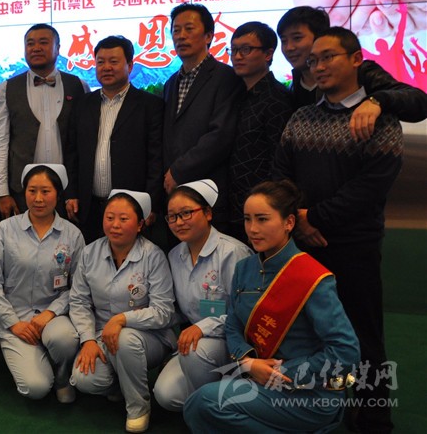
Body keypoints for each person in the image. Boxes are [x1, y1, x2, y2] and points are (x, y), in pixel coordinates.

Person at [272, 27, 404, 433]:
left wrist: (315, 218)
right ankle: (320, 409)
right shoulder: (301, 117)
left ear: (356, 59)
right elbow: (281, 176)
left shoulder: (378, 118)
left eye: (328, 57)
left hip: (354, 246)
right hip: (304, 245)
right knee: (310, 334)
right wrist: (300, 223)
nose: (319, 66)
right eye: (313, 60)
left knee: (363, 335)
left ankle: (374, 417)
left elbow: (370, 187)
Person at [184, 180, 360, 433]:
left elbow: (346, 352)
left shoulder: (313, 278)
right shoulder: (244, 268)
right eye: (247, 219)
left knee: (204, 402)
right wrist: (247, 362)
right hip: (257, 377)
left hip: (307, 392)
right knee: (197, 406)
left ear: (289, 222)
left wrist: (281, 372)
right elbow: (233, 323)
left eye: (263, 219)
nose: (252, 229)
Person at [69, 190, 175, 433]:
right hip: (101, 335)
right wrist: (88, 340)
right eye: (109, 218)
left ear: (139, 225)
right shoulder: (90, 253)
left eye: (124, 219)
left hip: (149, 337)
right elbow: (79, 301)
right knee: (85, 380)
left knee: (125, 338)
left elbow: (164, 311)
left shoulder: (153, 256)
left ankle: (139, 407)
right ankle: (123, 383)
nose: (115, 225)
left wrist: (122, 319)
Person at [0, 164, 85, 403]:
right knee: (36, 388)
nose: (38, 199)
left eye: (46, 191)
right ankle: (41, 365)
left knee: (65, 340)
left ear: (58, 194)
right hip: (14, 318)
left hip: (53, 317)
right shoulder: (5, 229)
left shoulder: (73, 235)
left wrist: (51, 312)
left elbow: (79, 287)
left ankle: (62, 377)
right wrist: (13, 323)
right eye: (32, 191)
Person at [152, 180, 251, 412]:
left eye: (186, 213)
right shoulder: (175, 255)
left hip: (233, 341)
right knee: (165, 395)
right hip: (197, 344)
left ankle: (214, 411)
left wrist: (202, 327)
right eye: (172, 217)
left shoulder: (233, 253)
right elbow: (176, 310)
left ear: (207, 213)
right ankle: (217, 399)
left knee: (195, 351)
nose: (179, 222)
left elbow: (245, 314)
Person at [65, 35, 163, 243]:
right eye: (101, 62)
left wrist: (152, 204)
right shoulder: (83, 104)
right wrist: (71, 193)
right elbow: (72, 152)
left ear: (130, 65)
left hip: (133, 208)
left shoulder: (150, 105)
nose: (106, 67)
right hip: (89, 207)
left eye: (114, 61)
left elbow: (156, 159)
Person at [278, 6, 427, 138]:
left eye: (297, 38)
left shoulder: (358, 71)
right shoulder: (292, 86)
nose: (289, 48)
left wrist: (376, 101)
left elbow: (419, 101)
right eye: (284, 41)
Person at [0, 24, 88, 217]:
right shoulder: (6, 89)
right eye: (30, 44)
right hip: (22, 192)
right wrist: (2, 192)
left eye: (43, 42)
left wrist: (77, 190)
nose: (36, 48)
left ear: (58, 48)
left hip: (67, 193)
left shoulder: (78, 86)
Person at [162, 3, 242, 229]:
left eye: (189, 29)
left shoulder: (226, 77)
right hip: (175, 195)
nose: (181, 36)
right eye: (176, 30)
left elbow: (221, 136)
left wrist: (179, 170)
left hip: (209, 192)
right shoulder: (171, 83)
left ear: (209, 36)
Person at [226, 22, 293, 242]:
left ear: (268, 54)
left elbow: (280, 161)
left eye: (245, 49)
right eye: (233, 50)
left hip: (263, 211)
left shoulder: (277, 99)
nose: (237, 56)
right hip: (233, 207)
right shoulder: (236, 95)